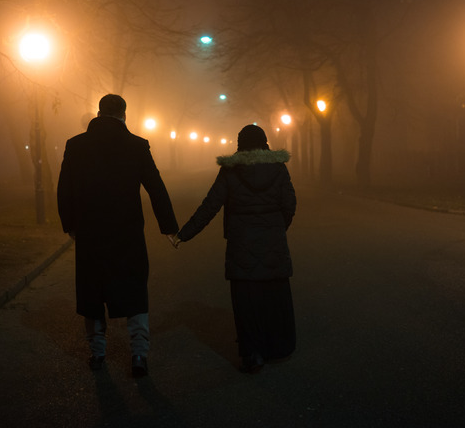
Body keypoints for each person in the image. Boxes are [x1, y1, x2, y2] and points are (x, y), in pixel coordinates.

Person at [57, 94, 178, 378]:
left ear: (99, 114)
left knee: (93, 292)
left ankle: (97, 353)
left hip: (90, 232)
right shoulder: (137, 145)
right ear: (124, 115)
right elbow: (156, 187)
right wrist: (169, 227)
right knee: (134, 290)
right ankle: (138, 353)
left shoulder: (76, 146)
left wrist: (70, 225)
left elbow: (65, 190)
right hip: (127, 233)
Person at [173, 124, 296, 374]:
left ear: (240, 145)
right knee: (274, 297)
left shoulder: (231, 172)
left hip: (241, 244)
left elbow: (211, 205)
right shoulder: (278, 169)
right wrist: (276, 227)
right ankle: (278, 348)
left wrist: (184, 234)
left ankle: (252, 354)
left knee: (246, 302)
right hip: (273, 243)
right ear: (265, 143)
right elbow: (290, 204)